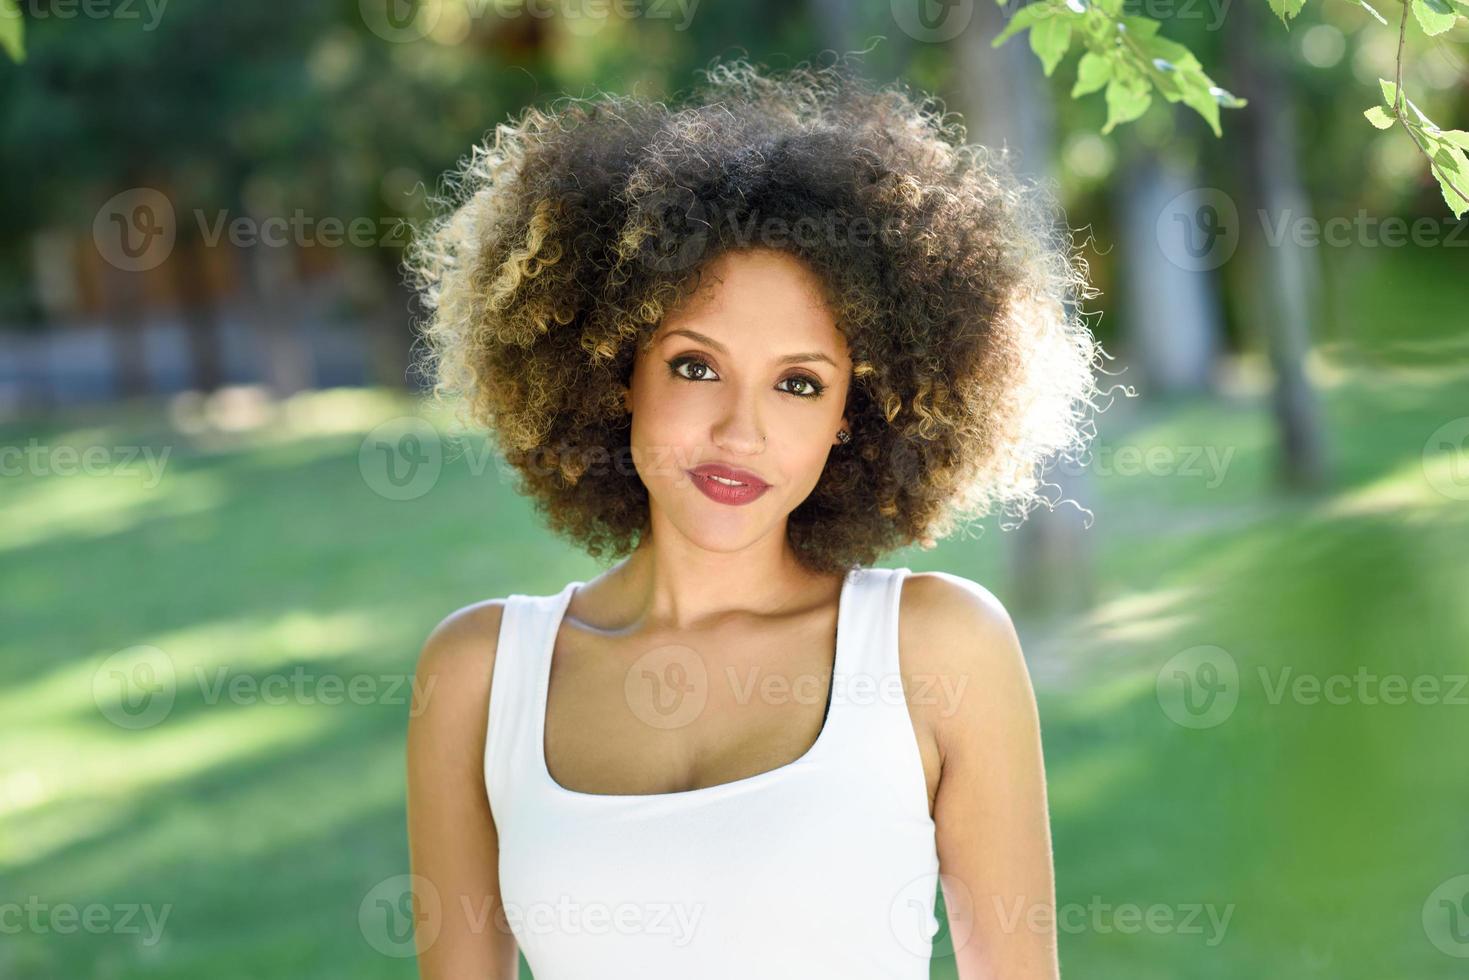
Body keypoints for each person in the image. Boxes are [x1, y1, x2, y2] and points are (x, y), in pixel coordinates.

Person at [403, 56, 1102, 979]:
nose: (741, 431)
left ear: (855, 414)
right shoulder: (479, 676)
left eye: (799, 383)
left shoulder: (935, 648)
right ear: (614, 370)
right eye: (695, 366)